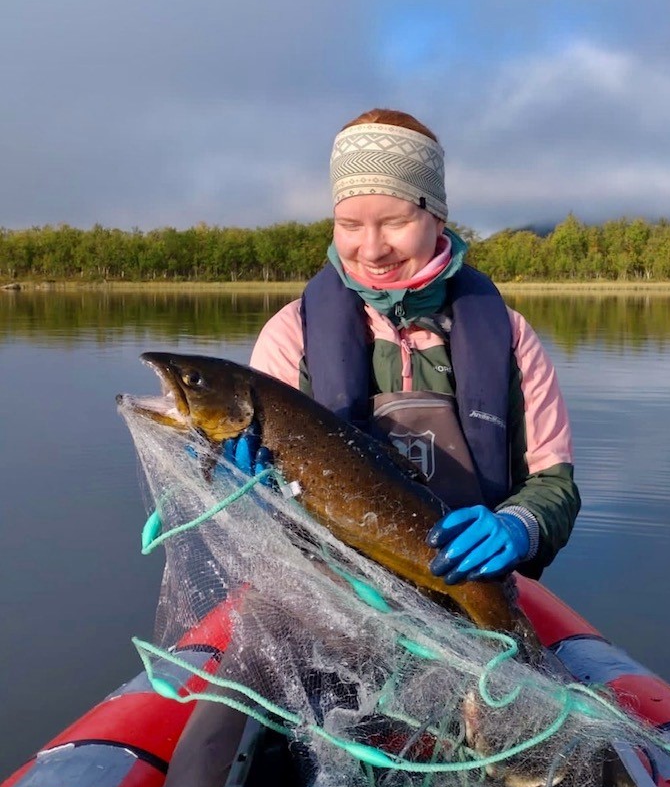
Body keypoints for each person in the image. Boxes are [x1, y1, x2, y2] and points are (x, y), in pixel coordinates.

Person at [248, 108, 581, 584]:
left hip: (466, 584)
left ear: (437, 217)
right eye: (350, 224)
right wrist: (244, 485)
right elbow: (273, 505)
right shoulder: (290, 335)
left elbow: (552, 484)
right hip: (334, 589)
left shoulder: (508, 335)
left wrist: (522, 526)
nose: (371, 249)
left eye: (395, 221)